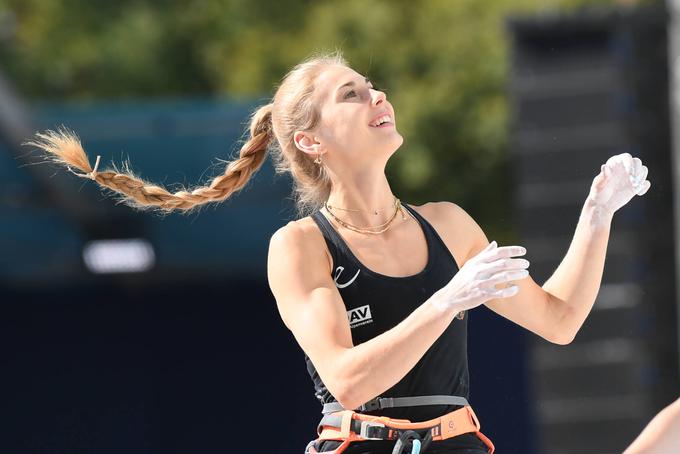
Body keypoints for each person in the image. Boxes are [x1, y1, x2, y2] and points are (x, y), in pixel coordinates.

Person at [26, 51, 651, 453]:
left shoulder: (449, 225)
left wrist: (596, 216)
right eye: (353, 95)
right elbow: (348, 382)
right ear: (311, 140)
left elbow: (560, 320)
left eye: (374, 88)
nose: (378, 98)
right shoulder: (300, 246)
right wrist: (447, 301)